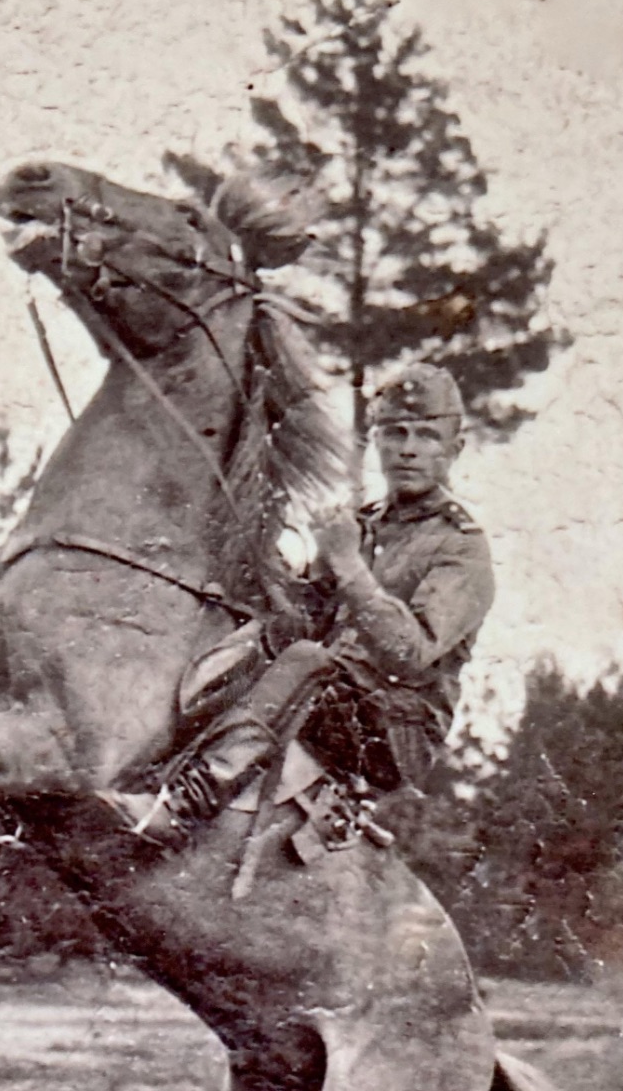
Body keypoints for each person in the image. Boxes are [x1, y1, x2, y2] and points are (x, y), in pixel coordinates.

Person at [102, 362, 495, 844]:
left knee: (307, 660)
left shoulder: (461, 548)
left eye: (427, 436)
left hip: (397, 729)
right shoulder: (364, 522)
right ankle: (143, 766)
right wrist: (266, 561)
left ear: (455, 448)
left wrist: (347, 563)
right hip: (335, 694)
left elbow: (410, 653)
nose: (408, 449)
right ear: (377, 440)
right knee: (255, 636)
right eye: (395, 432)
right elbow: (308, 615)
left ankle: (185, 808)